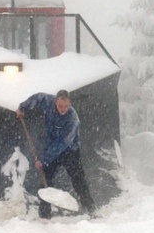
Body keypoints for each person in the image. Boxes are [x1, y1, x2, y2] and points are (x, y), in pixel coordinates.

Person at [16, 90, 96, 219]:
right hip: (51, 147)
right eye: (60, 106)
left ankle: (91, 209)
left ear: (70, 103)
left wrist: (43, 160)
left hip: (70, 150)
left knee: (78, 181)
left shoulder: (73, 120)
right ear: (55, 102)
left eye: (66, 106)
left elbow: (62, 144)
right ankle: (44, 215)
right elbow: (37, 98)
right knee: (46, 180)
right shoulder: (48, 102)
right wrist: (22, 107)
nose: (63, 109)